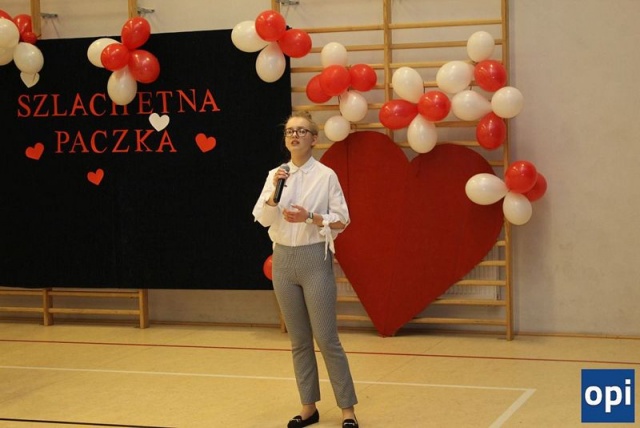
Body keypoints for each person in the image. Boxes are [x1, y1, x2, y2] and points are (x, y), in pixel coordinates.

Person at [252, 111, 359, 428]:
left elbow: (342, 220)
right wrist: (274, 198)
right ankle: (308, 407)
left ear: (314, 138)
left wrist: (310, 217)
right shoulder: (276, 175)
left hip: (314, 259)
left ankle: (348, 410)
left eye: (301, 131)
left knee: (326, 338)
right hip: (283, 261)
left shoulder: (326, 176)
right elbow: (262, 218)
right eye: (289, 131)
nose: (294, 135)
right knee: (299, 340)